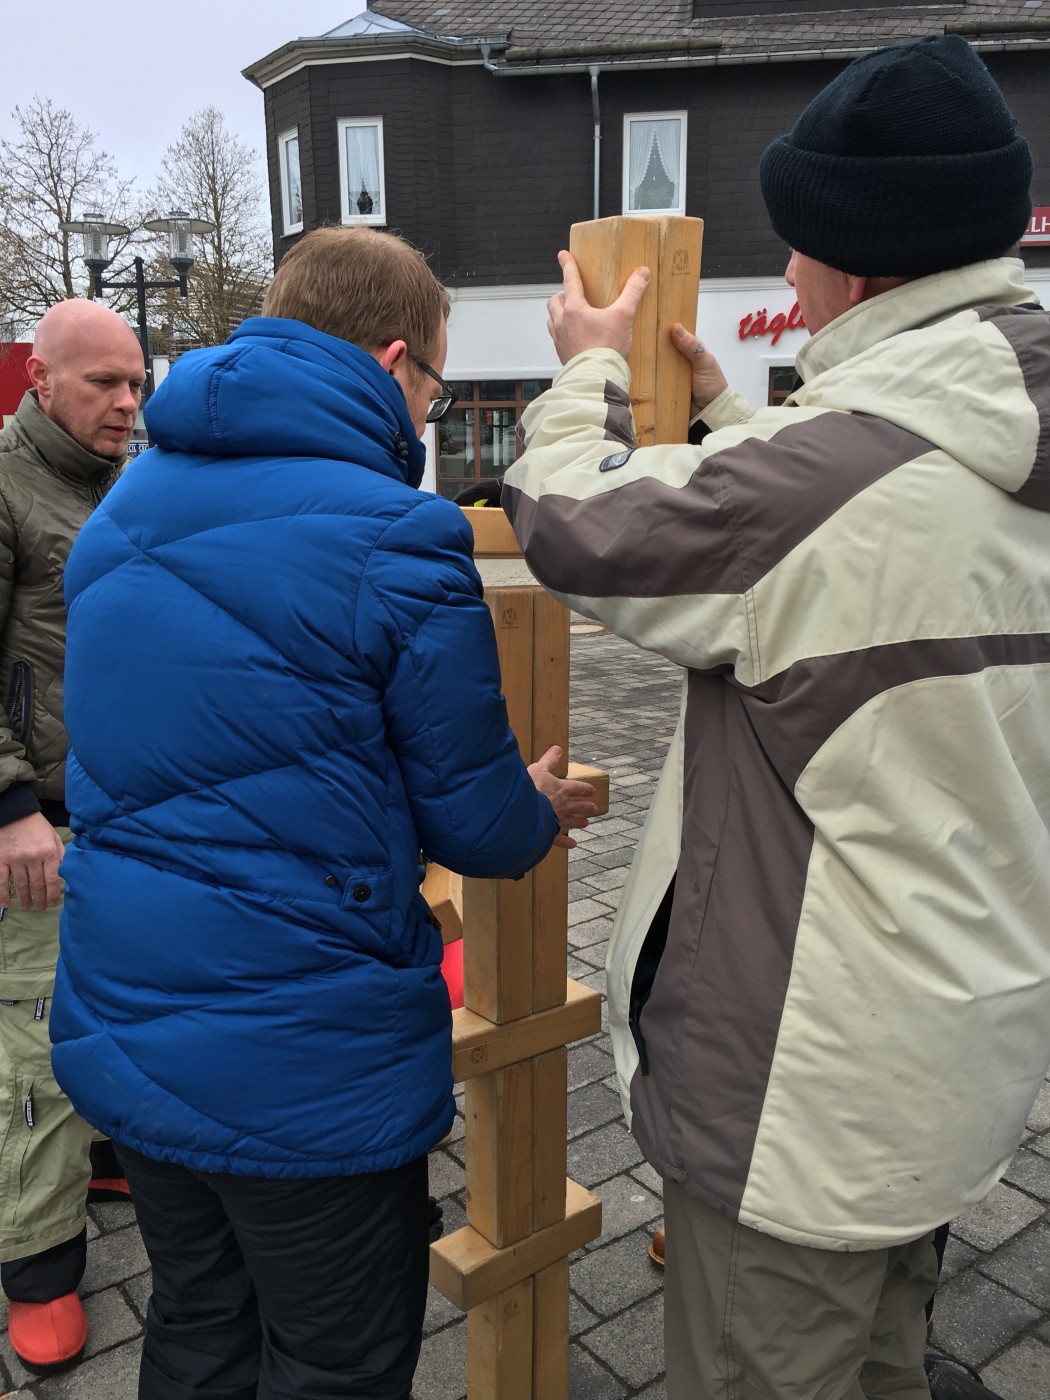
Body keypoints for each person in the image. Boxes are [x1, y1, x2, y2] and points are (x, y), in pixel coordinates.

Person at [502, 35, 1050, 1400]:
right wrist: (734, 419)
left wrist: (585, 373)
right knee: (885, 1355)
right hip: (960, 1042)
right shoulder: (1004, 422)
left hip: (810, 1094)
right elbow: (863, 513)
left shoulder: (821, 487)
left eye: (797, 244)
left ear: (855, 267)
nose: (787, 276)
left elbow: (574, 523)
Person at [49, 226, 595, 1400]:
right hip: (304, 1061)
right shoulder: (399, 532)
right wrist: (536, 803)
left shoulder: (122, 510)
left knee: (198, 1324)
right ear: (396, 360)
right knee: (334, 1361)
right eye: (436, 386)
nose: (430, 412)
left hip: (126, 1017)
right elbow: (479, 824)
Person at [0, 299, 143, 1372]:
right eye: (104, 383)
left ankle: (100, 1160)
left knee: (114, 1002)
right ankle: (36, 1263)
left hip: (116, 810)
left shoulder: (128, 483)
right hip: (33, 821)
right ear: (41, 381)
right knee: (36, 1042)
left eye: (135, 382)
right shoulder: (6, 487)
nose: (127, 402)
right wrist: (9, 806)